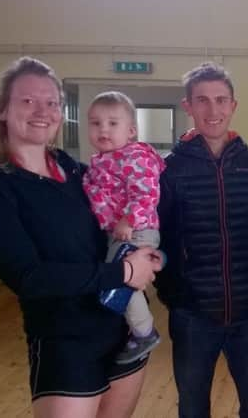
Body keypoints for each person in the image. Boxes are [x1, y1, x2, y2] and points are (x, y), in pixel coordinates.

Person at [0, 56, 161, 418]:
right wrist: (123, 274)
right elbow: (30, 278)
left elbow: (133, 197)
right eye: (28, 101)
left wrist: (148, 252)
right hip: (65, 343)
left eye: (52, 102)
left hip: (121, 334)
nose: (43, 111)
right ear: (2, 109)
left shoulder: (76, 169)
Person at [156, 61, 248, 418]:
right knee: (193, 408)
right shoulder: (168, 170)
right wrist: (174, 294)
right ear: (188, 106)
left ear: (233, 105)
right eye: (203, 100)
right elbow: (157, 237)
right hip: (192, 315)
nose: (213, 110)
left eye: (221, 100)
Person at [83, 91, 165, 364]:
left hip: (136, 230)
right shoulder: (101, 161)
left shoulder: (134, 157)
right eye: (95, 123)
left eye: (112, 123)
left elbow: (147, 193)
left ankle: (144, 332)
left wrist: (128, 220)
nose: (103, 129)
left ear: (131, 131)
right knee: (120, 282)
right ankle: (132, 327)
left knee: (120, 279)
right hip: (118, 233)